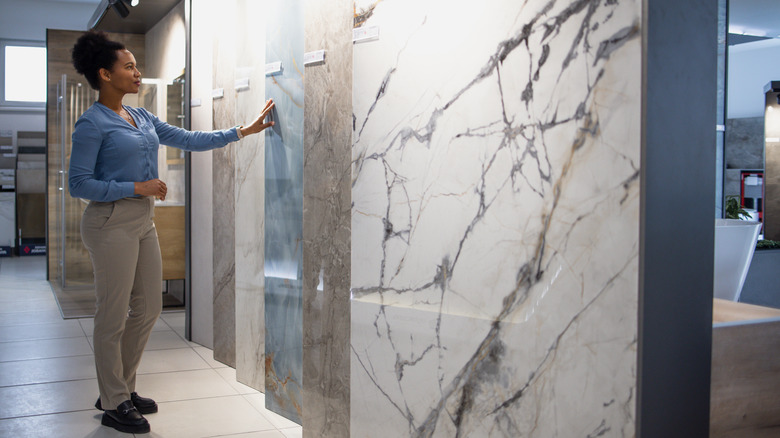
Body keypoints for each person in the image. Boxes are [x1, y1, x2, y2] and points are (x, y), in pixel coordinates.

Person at [68, 30, 274, 435]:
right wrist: (136, 187)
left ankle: (120, 387)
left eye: (135, 65)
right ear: (104, 75)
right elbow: (78, 184)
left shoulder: (140, 116)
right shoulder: (92, 124)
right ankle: (114, 400)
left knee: (149, 309)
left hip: (141, 221)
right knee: (112, 315)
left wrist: (241, 132)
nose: (136, 71)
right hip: (109, 222)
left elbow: (187, 139)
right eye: (128, 66)